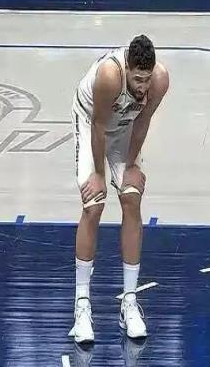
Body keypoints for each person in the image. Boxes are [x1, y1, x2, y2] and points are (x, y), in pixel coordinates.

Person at [69, 35, 169, 343]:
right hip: (92, 123)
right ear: (127, 69)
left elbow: (143, 121)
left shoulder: (159, 80)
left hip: (125, 126)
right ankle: (82, 306)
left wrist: (132, 164)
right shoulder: (109, 76)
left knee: (131, 200)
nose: (143, 86)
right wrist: (99, 174)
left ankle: (130, 302)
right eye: (137, 79)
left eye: (146, 79)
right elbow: (99, 126)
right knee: (94, 205)